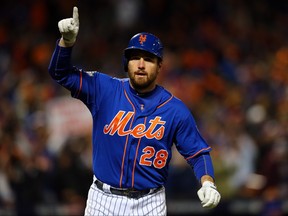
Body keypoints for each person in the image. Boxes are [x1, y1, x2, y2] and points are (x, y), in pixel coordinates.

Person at [48, 6, 221, 216]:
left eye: (148, 59)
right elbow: (60, 73)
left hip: (150, 202)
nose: (140, 64)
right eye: (134, 57)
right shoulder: (104, 89)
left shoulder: (175, 110)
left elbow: (198, 153)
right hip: (103, 200)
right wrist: (66, 43)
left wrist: (207, 182)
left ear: (159, 66)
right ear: (126, 63)